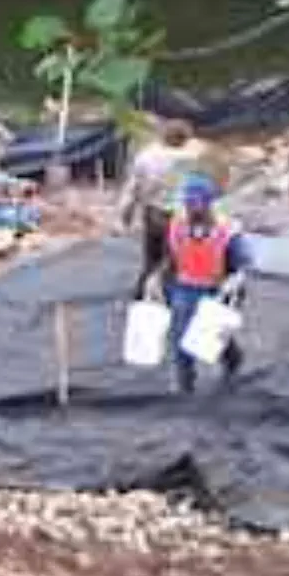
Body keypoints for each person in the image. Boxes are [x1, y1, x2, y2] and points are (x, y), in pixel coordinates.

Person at [144, 173, 250, 394]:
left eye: (195, 202)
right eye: (187, 202)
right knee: (181, 337)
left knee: (209, 334)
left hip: (218, 289)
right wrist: (155, 278)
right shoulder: (178, 225)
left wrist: (235, 280)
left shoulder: (227, 229)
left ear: (208, 202)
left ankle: (232, 358)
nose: (190, 207)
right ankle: (185, 385)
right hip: (185, 287)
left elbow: (242, 264)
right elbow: (171, 256)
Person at [117, 118, 202, 299]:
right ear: (185, 139)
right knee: (174, 262)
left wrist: (125, 216)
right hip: (180, 216)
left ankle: (140, 296)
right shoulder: (193, 160)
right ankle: (168, 301)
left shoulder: (146, 157)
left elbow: (132, 190)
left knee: (151, 259)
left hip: (153, 213)